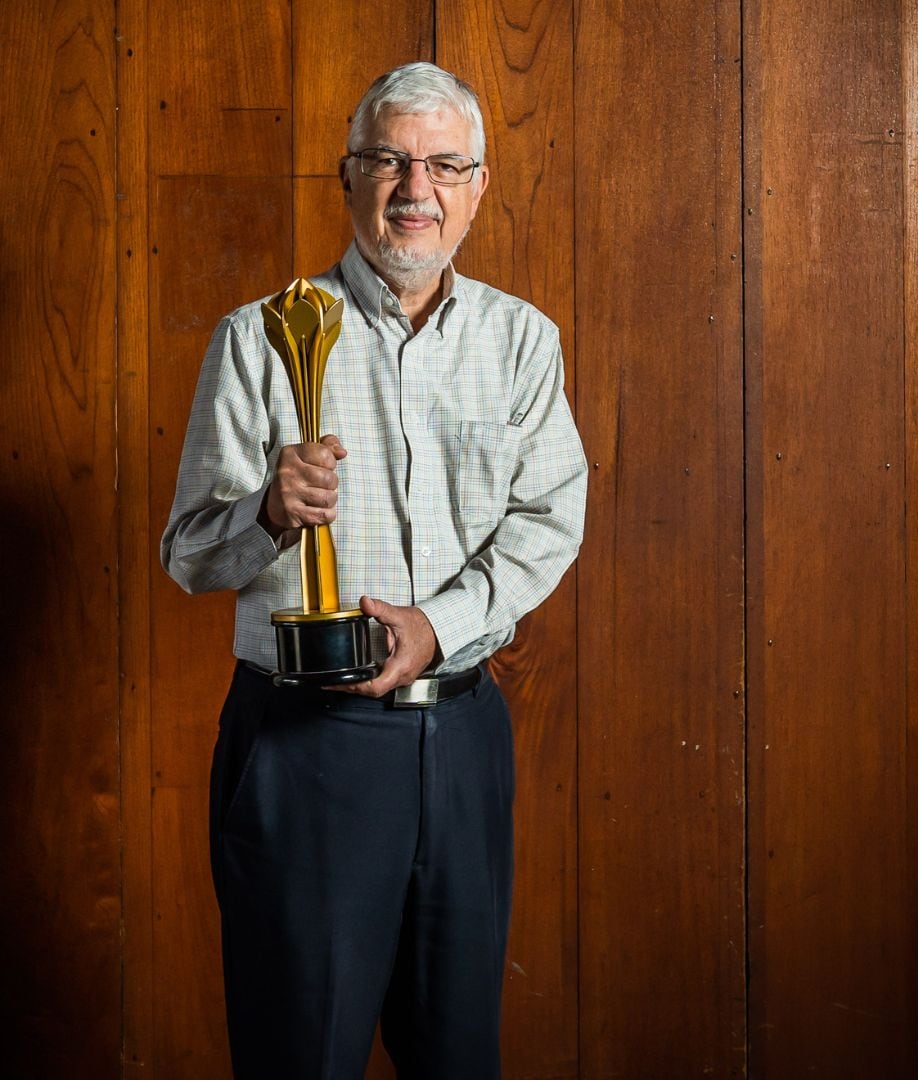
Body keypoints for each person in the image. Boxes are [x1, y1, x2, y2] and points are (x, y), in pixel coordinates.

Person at [160, 61, 587, 1078]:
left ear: (478, 186)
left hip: (465, 736)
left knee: (457, 1055)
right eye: (389, 160)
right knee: (301, 1053)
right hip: (307, 749)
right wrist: (268, 508)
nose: (415, 188)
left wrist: (439, 624)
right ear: (347, 178)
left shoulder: (523, 343)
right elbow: (187, 554)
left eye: (443, 165)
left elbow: (547, 520)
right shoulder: (261, 339)